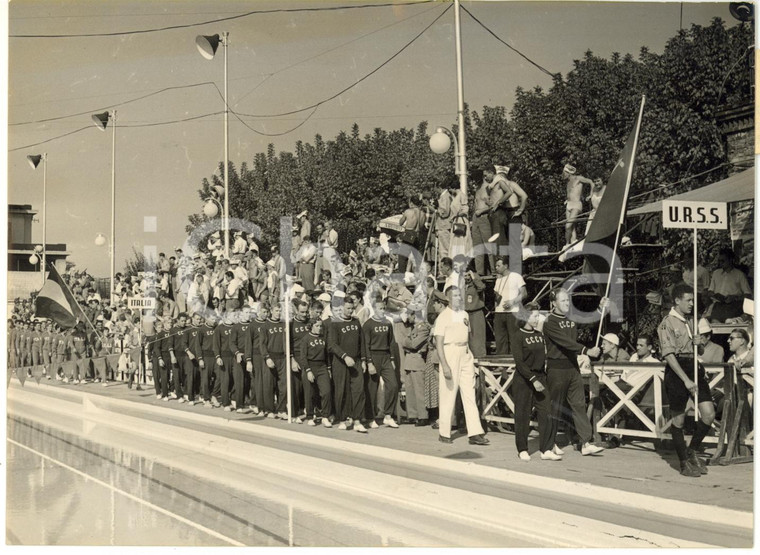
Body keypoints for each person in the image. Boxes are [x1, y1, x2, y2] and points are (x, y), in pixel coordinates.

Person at [657, 284, 715, 477]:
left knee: (708, 414)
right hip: (677, 371)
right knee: (679, 419)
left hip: (694, 366)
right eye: (688, 300)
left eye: (693, 300)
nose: (692, 304)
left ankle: (693, 450)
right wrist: (686, 380)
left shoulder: (691, 321)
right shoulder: (667, 323)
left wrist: (700, 346)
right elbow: (669, 355)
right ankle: (683, 462)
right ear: (677, 301)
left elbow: (697, 350)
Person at [542, 288, 605, 456]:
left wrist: (600, 309)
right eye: (563, 301)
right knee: (555, 407)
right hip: (557, 369)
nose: (566, 304)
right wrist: (586, 350)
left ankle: (586, 442)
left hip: (572, 367)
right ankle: (550, 443)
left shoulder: (571, 318)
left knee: (579, 404)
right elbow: (565, 342)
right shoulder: (549, 322)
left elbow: (587, 321)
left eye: (568, 301)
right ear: (553, 303)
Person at [433, 286, 488, 445]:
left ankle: (475, 433)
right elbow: (438, 343)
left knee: (469, 392)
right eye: (455, 295)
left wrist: (470, 355)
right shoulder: (443, 317)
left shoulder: (465, 314)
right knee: (448, 393)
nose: (459, 298)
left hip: (465, 352)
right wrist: (445, 365)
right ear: (448, 298)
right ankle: (444, 432)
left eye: (460, 295)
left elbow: (468, 336)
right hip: (450, 352)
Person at [512, 302, 557, 461]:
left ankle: (546, 449)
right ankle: (522, 449)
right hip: (523, 380)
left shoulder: (540, 335)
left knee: (546, 412)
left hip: (540, 377)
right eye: (535, 316)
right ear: (526, 316)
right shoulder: (518, 335)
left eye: (538, 316)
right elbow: (520, 363)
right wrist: (532, 379)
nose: (538, 319)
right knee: (522, 415)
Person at [327, 296, 367, 431]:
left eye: (352, 308)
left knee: (358, 391)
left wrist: (364, 360)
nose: (350, 311)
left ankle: (357, 420)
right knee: (341, 391)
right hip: (340, 363)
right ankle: (343, 419)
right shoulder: (335, 323)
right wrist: (344, 356)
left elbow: (362, 343)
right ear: (342, 308)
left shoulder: (356, 322)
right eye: (348, 308)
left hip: (356, 361)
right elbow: (332, 345)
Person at [363, 296, 399, 429]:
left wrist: (392, 359)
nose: (382, 311)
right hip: (373, 356)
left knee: (393, 385)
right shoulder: (368, 325)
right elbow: (365, 345)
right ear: (374, 309)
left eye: (384, 308)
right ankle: (370, 417)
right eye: (380, 308)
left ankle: (388, 416)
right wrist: (369, 362)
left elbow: (391, 343)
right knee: (372, 389)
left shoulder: (388, 323)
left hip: (385, 357)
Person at [401, 303, 430, 426]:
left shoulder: (423, 328)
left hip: (417, 362)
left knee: (419, 390)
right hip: (410, 361)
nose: (408, 317)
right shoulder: (413, 328)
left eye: (409, 314)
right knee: (410, 389)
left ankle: (423, 416)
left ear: (414, 315)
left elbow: (413, 344)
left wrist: (408, 343)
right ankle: (412, 415)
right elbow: (405, 342)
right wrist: (408, 343)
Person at [706, 248, 752, 323]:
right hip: (718, 305)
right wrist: (714, 295)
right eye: (719, 261)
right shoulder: (716, 273)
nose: (720, 263)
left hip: (734, 305)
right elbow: (710, 291)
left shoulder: (739, 274)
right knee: (715, 323)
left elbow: (748, 295)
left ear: (730, 260)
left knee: (729, 323)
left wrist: (735, 297)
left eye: (723, 261)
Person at [302, 318, 332, 427]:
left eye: (321, 326)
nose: (319, 328)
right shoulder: (306, 339)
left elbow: (327, 355)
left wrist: (328, 369)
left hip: (322, 367)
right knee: (310, 393)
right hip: (310, 366)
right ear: (311, 326)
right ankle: (310, 416)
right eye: (317, 326)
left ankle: (325, 416)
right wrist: (308, 370)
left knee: (326, 391)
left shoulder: (323, 338)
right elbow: (303, 357)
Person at [492, 256, 526, 355]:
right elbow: (496, 297)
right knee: (500, 339)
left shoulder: (516, 276)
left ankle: (516, 362)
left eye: (498, 265)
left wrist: (512, 302)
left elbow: (524, 294)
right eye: (495, 265)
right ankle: (501, 364)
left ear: (506, 266)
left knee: (514, 338)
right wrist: (495, 311)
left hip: (513, 312)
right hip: (499, 313)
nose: (496, 267)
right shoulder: (498, 279)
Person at [562, 164, 594, 246]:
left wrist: (591, 195)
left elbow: (590, 181)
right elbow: (571, 193)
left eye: (564, 173)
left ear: (568, 172)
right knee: (572, 228)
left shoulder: (578, 178)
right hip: (569, 204)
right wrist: (567, 199)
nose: (563, 175)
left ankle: (569, 243)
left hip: (576, 205)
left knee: (568, 225)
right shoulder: (568, 183)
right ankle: (570, 244)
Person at [470, 169, 495, 276]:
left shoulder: (488, 188)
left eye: (475, 180)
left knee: (489, 245)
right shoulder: (478, 190)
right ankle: (479, 272)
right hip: (476, 219)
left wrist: (482, 210)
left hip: (484, 217)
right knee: (477, 246)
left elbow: (493, 204)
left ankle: (494, 270)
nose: (473, 182)